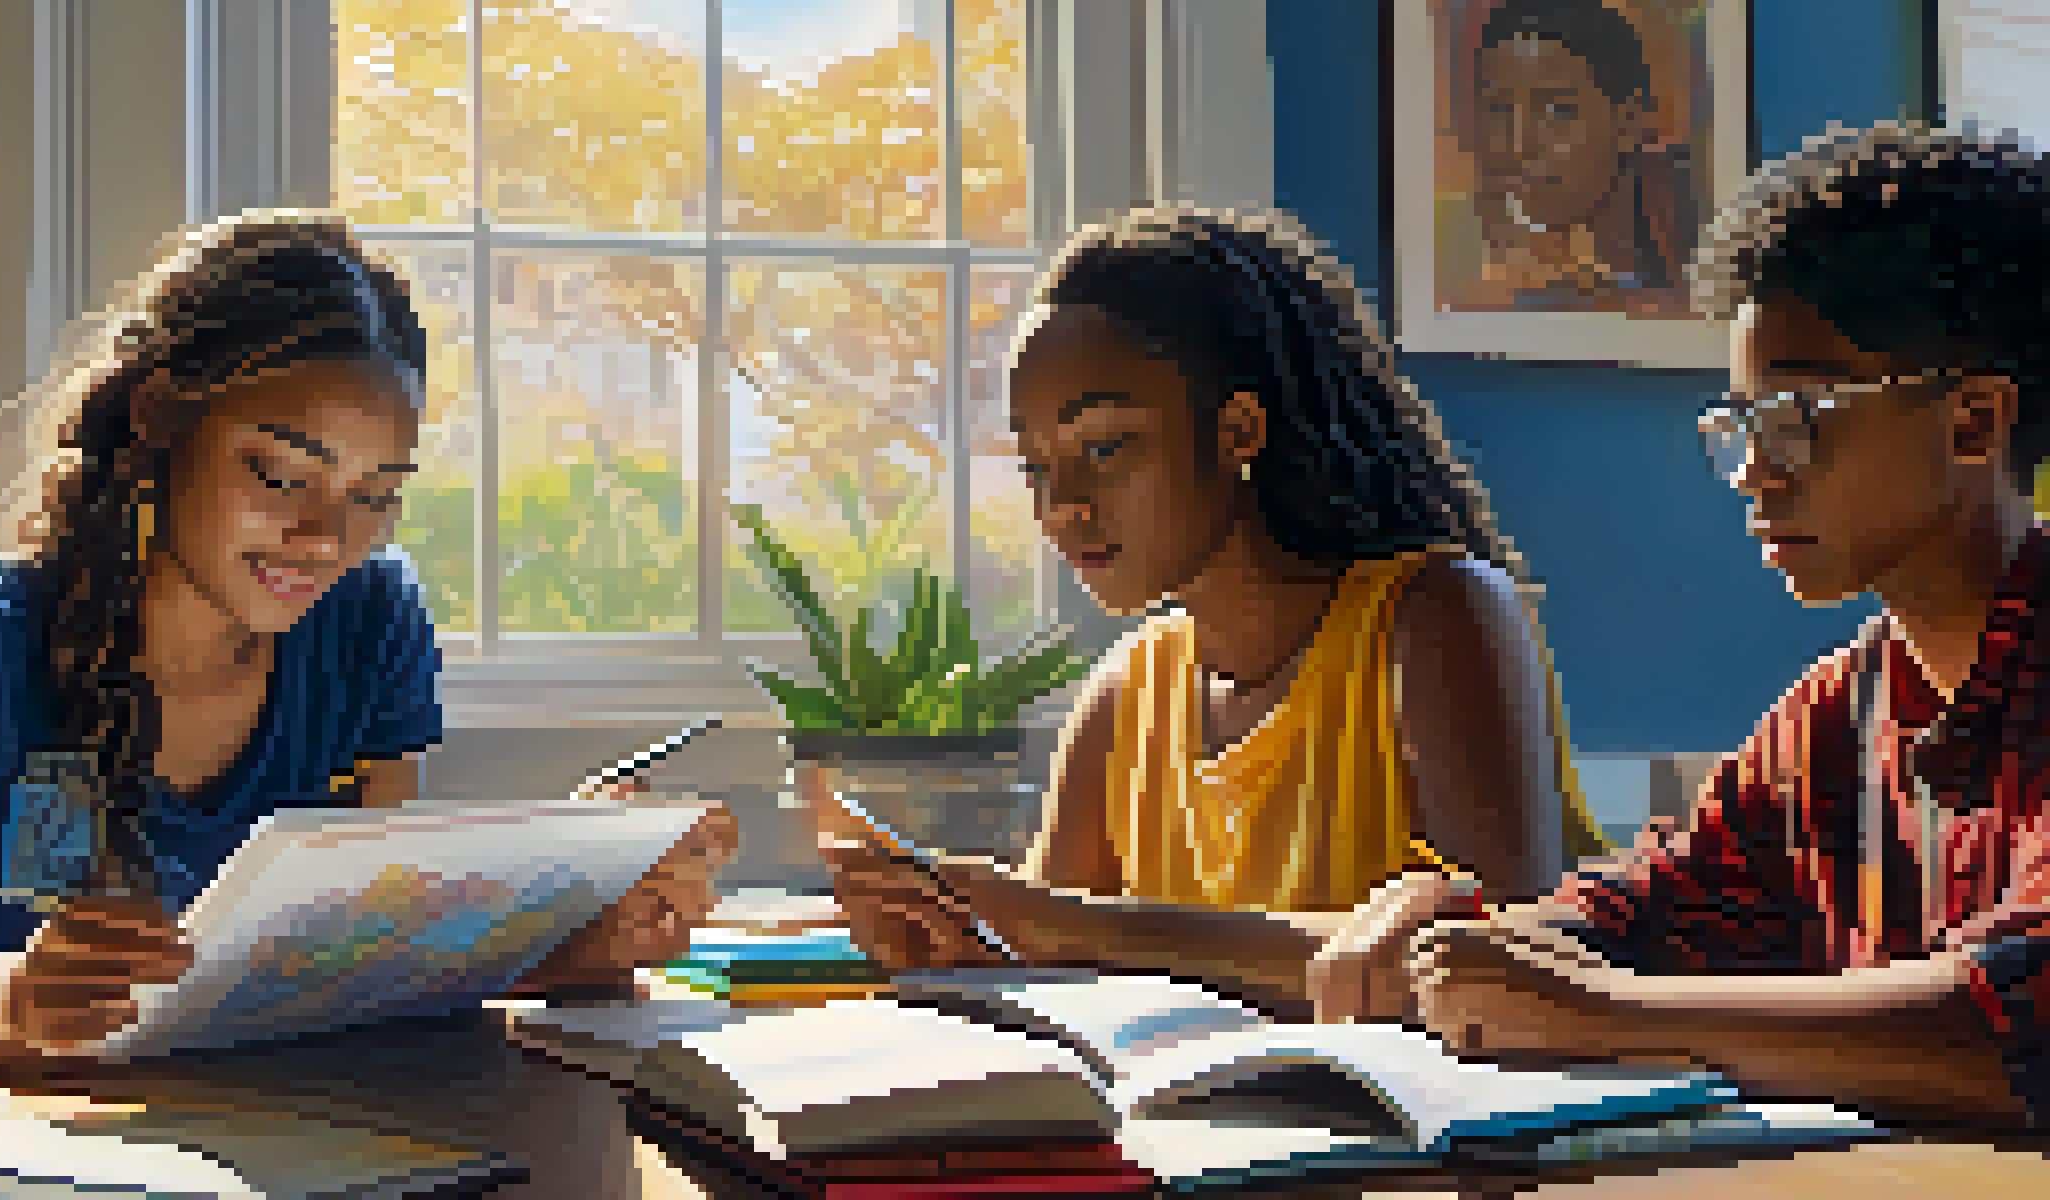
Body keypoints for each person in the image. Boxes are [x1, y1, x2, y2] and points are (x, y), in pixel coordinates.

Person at [832, 124, 2050, 1129]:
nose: (1751, 471)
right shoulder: (1837, 716)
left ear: (1974, 423)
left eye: (1795, 416)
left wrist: (1608, 1017)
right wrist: (1469, 933)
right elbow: (1645, 909)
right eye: (1738, 426)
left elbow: (2012, 1032)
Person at [0, 211, 735, 1074]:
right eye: (280, 475)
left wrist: (578, 940)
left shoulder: (367, 623)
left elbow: (355, 966)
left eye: (374, 497)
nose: (327, 539)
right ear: (158, 419)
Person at [821, 206, 1604, 999]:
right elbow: (1039, 961)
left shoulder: (1438, 617)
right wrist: (953, 936)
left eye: (1104, 447)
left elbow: (1506, 958)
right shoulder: (1128, 695)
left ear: (1237, 430)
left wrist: (1072, 924)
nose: (1061, 504)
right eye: (1035, 465)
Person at [1454, 0, 1697, 314]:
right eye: (1499, 109)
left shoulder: (1694, 227)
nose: (1518, 146)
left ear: (1628, 121)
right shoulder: (1508, 267)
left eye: (1556, 111)